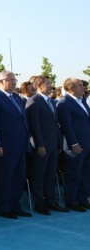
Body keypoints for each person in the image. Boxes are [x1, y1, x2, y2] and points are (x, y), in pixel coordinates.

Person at [0, 71, 31, 219]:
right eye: (10, 80)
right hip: (6, 147)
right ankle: (4, 207)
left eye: (15, 79)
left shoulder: (17, 97)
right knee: (5, 178)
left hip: (20, 145)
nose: (14, 82)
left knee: (18, 178)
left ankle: (15, 205)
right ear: (0, 82)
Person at [26, 76, 68, 214]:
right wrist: (40, 144)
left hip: (53, 145)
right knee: (39, 175)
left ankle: (51, 201)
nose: (51, 86)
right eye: (48, 84)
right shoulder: (34, 101)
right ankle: (39, 203)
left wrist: (58, 143)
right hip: (42, 146)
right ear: (39, 86)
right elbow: (34, 126)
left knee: (50, 175)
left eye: (51, 83)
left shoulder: (49, 101)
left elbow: (55, 124)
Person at [56, 78, 90, 212]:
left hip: (87, 144)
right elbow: (66, 125)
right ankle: (71, 201)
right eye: (80, 86)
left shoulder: (82, 101)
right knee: (73, 174)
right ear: (71, 89)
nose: (84, 88)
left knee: (85, 173)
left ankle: (82, 198)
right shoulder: (64, 103)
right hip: (75, 146)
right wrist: (74, 143)